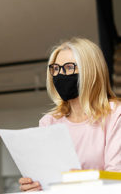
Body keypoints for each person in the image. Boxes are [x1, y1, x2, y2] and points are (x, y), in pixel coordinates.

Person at [19, 37, 121, 192]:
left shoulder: (115, 114)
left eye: (68, 68)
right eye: (56, 69)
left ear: (90, 71)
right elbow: (47, 178)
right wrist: (34, 187)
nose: (60, 75)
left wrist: (78, 180)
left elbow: (116, 178)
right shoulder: (49, 122)